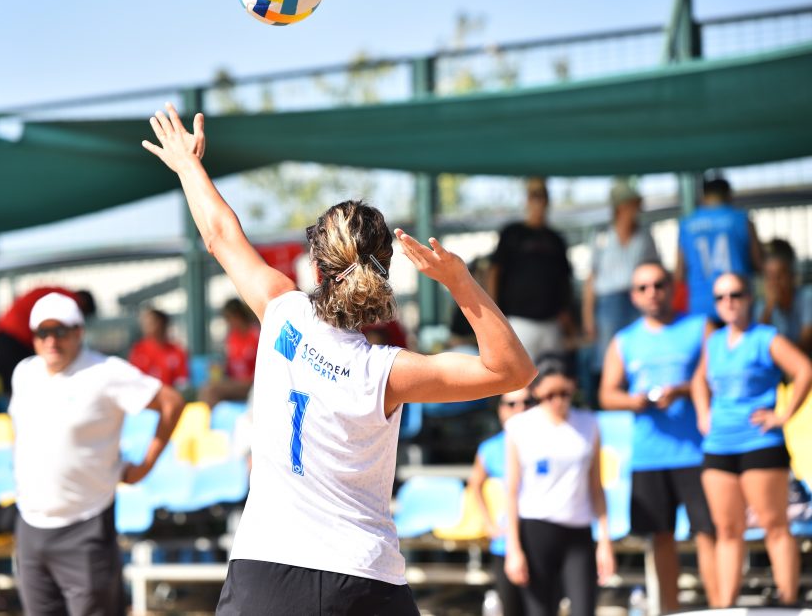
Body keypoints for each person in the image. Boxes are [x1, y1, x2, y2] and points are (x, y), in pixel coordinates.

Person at [142, 103, 535, 616]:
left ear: (316, 262)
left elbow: (219, 236)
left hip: (268, 570)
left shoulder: (283, 314)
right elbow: (513, 370)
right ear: (384, 274)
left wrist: (189, 166)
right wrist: (459, 280)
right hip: (363, 580)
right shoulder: (386, 371)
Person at [10, 292, 184, 616]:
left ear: (79, 331)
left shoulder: (106, 372)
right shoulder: (24, 373)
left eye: (59, 331)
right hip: (31, 527)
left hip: (85, 526)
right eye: (42, 332)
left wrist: (145, 465)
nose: (50, 340)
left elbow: (171, 402)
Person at [598, 261, 717, 612]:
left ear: (671, 286)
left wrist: (681, 391)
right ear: (634, 296)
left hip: (696, 451)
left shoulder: (699, 327)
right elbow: (607, 394)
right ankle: (669, 610)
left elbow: (716, 376)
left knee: (708, 533)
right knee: (661, 538)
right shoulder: (625, 340)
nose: (652, 293)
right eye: (643, 288)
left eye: (659, 285)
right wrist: (635, 401)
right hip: (650, 455)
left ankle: (718, 607)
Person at [692, 272, 811, 607]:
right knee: (727, 530)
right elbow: (699, 380)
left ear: (750, 297)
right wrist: (703, 412)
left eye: (736, 294)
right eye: (721, 297)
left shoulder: (766, 337)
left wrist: (784, 415)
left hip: (760, 442)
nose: (728, 302)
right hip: (718, 445)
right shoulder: (714, 341)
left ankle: (788, 601)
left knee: (774, 525)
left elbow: (804, 370)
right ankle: (725, 606)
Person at [504, 357, 615, 616]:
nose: (558, 401)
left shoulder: (589, 424)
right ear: (537, 393)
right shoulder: (519, 426)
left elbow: (597, 487)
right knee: (541, 610)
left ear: (574, 388)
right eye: (549, 395)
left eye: (565, 393)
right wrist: (514, 548)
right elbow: (511, 492)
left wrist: (605, 541)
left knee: (584, 608)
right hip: (537, 528)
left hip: (578, 528)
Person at [488, 177, 574, 361]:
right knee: (519, 384)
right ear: (527, 199)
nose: (538, 200)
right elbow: (494, 271)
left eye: (542, 195)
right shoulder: (511, 233)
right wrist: (494, 313)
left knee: (553, 377)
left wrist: (567, 318)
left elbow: (564, 280)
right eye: (533, 195)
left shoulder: (556, 239)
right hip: (518, 321)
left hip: (551, 322)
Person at [583, 181, 659, 381]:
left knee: (642, 349)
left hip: (639, 298)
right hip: (609, 303)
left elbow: (655, 267)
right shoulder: (601, 236)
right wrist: (588, 317)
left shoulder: (644, 235)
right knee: (606, 356)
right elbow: (591, 278)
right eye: (633, 204)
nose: (637, 209)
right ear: (621, 207)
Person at [467, 387, 532, 616]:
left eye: (527, 402)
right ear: (501, 410)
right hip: (506, 543)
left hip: (541, 537)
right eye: (512, 404)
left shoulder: (546, 441)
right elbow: (475, 485)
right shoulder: (491, 448)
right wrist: (489, 524)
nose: (521, 409)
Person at [677, 177, 762, 319]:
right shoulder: (740, 219)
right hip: (736, 300)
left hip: (699, 303)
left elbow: (679, 272)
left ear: (703, 196)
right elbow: (758, 261)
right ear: (729, 195)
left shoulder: (686, 224)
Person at [0, 286, 96, 396]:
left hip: (4, 332)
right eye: (43, 333)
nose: (51, 340)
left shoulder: (58, 294)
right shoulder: (68, 302)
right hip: (14, 336)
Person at [755, 238, 812, 356]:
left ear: (792, 277)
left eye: (780, 275)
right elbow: (757, 343)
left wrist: (785, 359)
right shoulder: (762, 306)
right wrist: (769, 308)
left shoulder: (807, 298)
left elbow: (807, 340)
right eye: (769, 277)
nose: (775, 282)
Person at [200, 298, 260, 407]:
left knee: (210, 391)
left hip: (253, 384)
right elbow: (230, 366)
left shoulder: (256, 335)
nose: (228, 322)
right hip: (235, 382)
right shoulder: (232, 337)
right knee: (206, 387)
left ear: (237, 316)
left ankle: (208, 423)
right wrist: (219, 369)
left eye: (228, 318)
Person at [128, 307, 190, 390]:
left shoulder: (177, 351)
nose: (145, 326)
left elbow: (182, 383)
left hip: (170, 399)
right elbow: (134, 380)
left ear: (161, 323)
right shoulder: (138, 350)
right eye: (144, 323)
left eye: (150, 322)